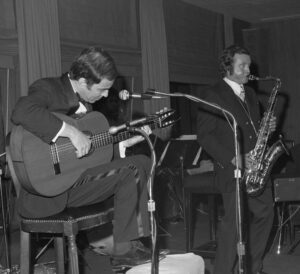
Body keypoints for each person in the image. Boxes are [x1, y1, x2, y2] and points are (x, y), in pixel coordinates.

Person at [11, 46, 163, 269]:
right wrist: (70, 132)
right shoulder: (49, 88)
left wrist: (122, 144)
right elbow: (22, 111)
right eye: (102, 89)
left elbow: (89, 157)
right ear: (83, 81)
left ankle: (124, 249)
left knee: (138, 163)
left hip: (75, 184)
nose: (105, 95)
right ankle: (124, 250)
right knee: (134, 167)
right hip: (47, 192)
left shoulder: (88, 105)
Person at [196, 45, 275, 274]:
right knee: (233, 226)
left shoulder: (249, 93)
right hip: (234, 169)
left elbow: (253, 129)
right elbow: (205, 135)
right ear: (228, 67)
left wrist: (266, 128)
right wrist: (234, 158)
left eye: (249, 65)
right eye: (243, 65)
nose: (248, 69)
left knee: (266, 213)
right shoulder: (213, 94)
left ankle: (252, 267)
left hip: (257, 168)